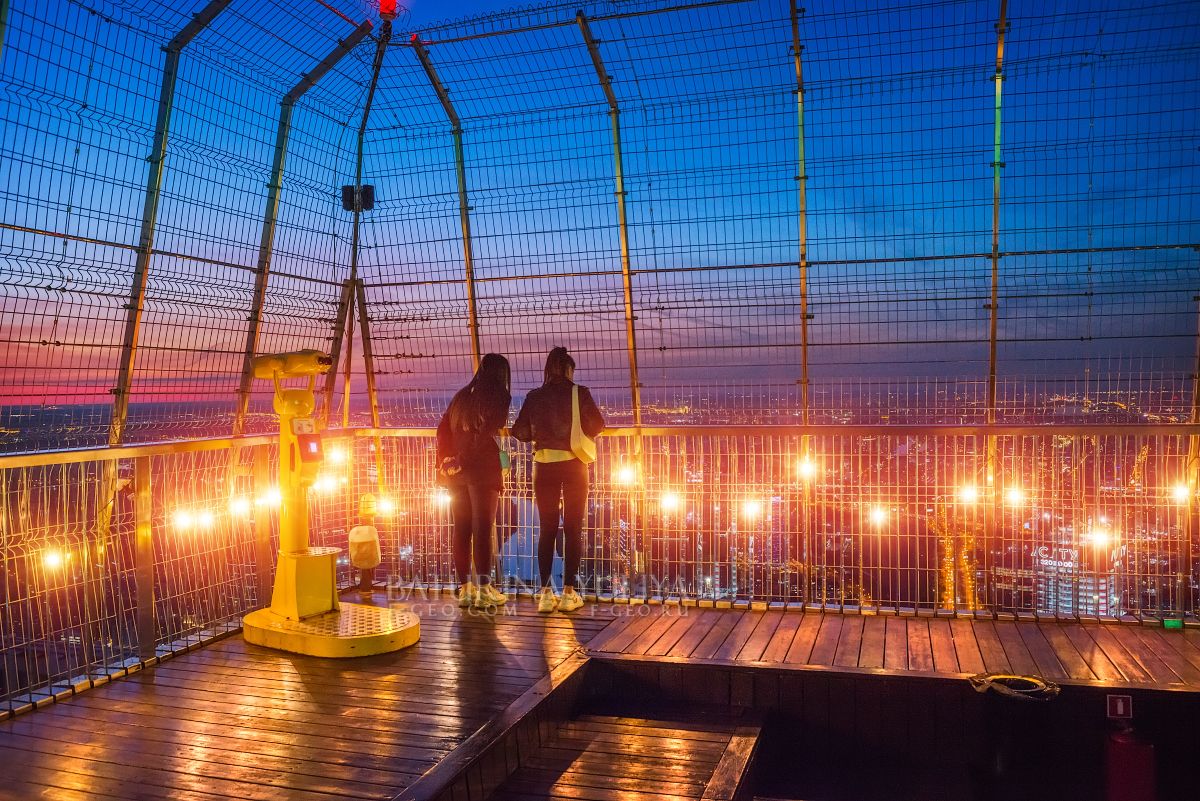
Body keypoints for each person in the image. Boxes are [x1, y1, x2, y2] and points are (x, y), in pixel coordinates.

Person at [512, 347, 605, 612]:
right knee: (573, 529)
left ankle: (544, 594)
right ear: (568, 370)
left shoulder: (534, 396)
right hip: (574, 465)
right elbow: (597, 425)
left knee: (547, 529)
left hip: (544, 467)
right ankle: (568, 593)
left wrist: (539, 430)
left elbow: (519, 431)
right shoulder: (580, 393)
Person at [437, 353, 512, 609]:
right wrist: (462, 459)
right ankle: (484, 590)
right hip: (481, 469)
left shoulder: (462, 396)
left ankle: (464, 588)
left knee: (461, 527)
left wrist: (447, 459)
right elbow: (483, 435)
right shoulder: (499, 395)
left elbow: (442, 429)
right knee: (482, 529)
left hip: (457, 474)